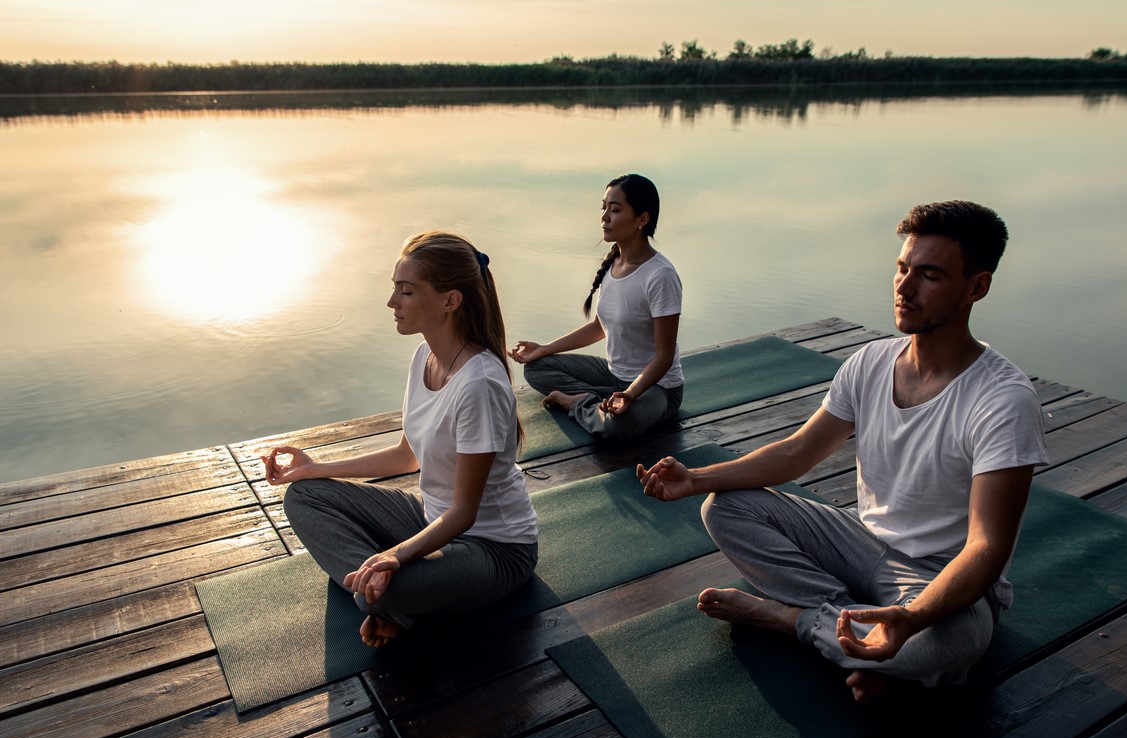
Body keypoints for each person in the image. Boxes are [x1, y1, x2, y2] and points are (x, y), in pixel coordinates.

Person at [637, 200, 1049, 702]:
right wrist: (698, 478)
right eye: (902, 268)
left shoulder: (1003, 399)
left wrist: (912, 618)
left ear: (976, 287)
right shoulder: (870, 363)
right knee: (725, 507)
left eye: (930, 275)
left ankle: (794, 619)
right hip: (860, 545)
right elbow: (795, 455)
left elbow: (986, 548)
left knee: (940, 646)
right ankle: (855, 632)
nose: (904, 287)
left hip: (940, 582)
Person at [262, 232, 538, 648]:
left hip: (494, 550)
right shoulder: (423, 358)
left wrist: (395, 555)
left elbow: (464, 513)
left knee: (384, 587)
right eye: (395, 289)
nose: (393, 303)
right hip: (429, 518)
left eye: (406, 292)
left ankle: (381, 591)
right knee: (304, 497)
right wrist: (314, 468)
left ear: (450, 300)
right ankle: (378, 591)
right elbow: (406, 457)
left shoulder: (478, 383)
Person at [509, 173, 683, 439]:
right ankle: (597, 401)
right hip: (613, 376)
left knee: (619, 425)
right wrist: (544, 349)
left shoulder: (660, 276)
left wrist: (630, 394)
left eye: (614, 209)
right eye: (603, 208)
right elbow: (598, 328)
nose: (604, 217)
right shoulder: (614, 264)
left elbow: (664, 356)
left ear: (642, 219)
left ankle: (576, 402)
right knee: (536, 368)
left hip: (657, 389)